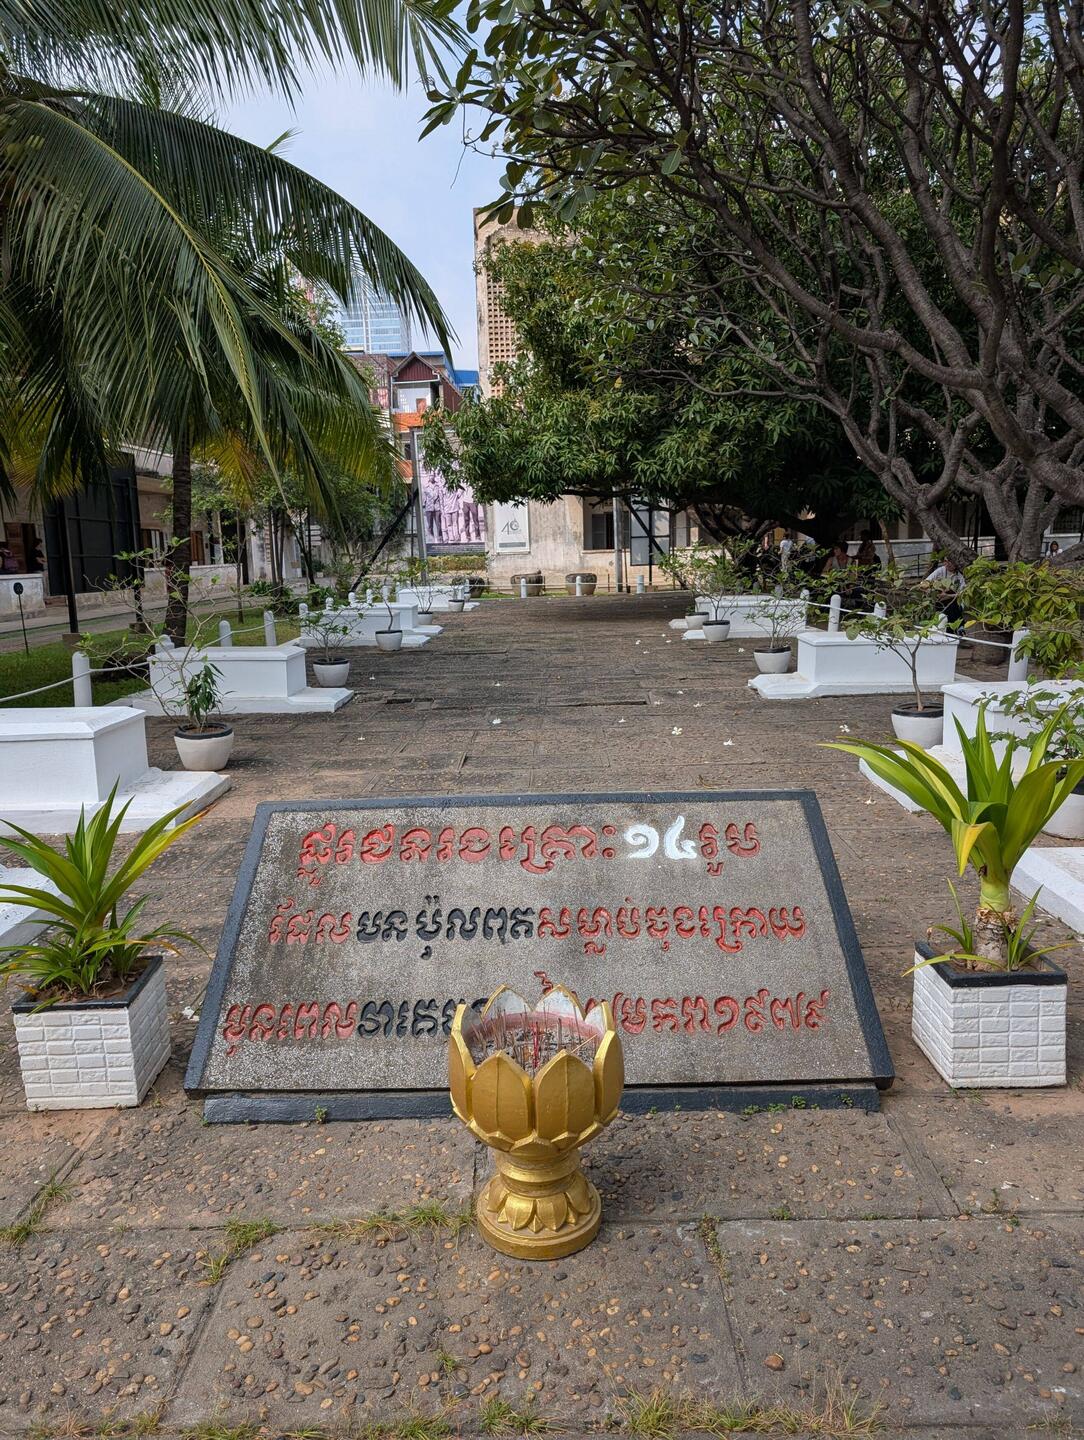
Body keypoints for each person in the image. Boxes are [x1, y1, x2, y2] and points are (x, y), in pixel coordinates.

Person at [924, 555, 966, 628]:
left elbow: (962, 593)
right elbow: (925, 582)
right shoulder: (941, 570)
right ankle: (960, 626)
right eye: (946, 561)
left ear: (956, 563)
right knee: (950, 606)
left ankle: (955, 628)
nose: (948, 564)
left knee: (952, 601)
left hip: (954, 602)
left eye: (951, 562)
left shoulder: (959, 576)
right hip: (940, 600)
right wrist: (932, 591)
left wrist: (948, 596)